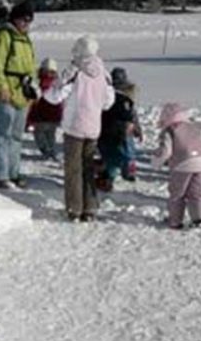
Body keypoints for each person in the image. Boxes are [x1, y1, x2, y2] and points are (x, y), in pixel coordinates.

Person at [45, 35, 115, 221]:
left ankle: (74, 209)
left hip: (74, 126)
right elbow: (109, 102)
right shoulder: (104, 73)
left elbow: (54, 96)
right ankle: (90, 208)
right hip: (93, 127)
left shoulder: (74, 71)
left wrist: (45, 89)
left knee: (73, 169)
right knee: (88, 167)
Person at [0, 0, 37, 189]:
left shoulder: (26, 40)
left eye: (29, 20)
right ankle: (1, 173)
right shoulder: (4, 36)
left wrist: (32, 88)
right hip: (6, 92)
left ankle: (13, 171)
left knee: (17, 135)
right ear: (15, 18)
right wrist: (1, 87)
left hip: (22, 93)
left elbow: (31, 65)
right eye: (23, 19)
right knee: (3, 133)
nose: (26, 23)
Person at [151, 103, 201, 229]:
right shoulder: (194, 126)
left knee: (177, 193)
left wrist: (156, 162)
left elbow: (166, 151)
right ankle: (199, 219)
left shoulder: (169, 130)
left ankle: (175, 221)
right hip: (200, 163)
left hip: (182, 165)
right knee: (197, 192)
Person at [96, 67, 142, 191]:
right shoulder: (114, 98)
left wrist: (135, 128)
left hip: (115, 131)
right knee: (121, 154)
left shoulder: (119, 98)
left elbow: (132, 116)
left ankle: (114, 174)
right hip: (115, 131)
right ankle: (114, 175)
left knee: (116, 154)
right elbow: (132, 117)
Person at [26, 58, 62, 160]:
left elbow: (33, 101)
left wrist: (29, 119)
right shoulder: (57, 83)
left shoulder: (38, 84)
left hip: (40, 117)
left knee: (40, 135)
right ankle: (51, 150)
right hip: (53, 117)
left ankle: (46, 149)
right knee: (50, 135)